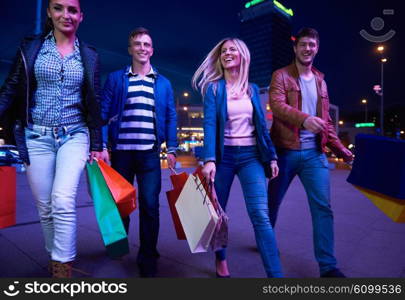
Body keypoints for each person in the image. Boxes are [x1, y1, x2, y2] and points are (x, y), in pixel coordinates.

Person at [0, 0, 104, 278]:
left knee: (62, 199)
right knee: (45, 206)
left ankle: (62, 266)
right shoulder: (32, 47)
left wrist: (98, 144)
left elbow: (95, 102)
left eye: (72, 10)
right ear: (49, 12)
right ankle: (55, 256)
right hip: (36, 136)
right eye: (59, 8)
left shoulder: (90, 55)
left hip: (75, 134)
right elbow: (10, 88)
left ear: (81, 16)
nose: (65, 15)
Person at [192, 38, 283, 278]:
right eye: (223, 51)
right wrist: (209, 158)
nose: (227, 53)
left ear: (242, 55)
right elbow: (209, 124)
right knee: (217, 216)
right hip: (224, 158)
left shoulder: (252, 89)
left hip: (251, 156)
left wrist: (271, 157)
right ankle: (221, 260)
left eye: (232, 49)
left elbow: (262, 126)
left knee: (261, 215)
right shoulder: (214, 88)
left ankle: (276, 276)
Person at [267, 28, 353, 277]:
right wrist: (305, 119)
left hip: (315, 154)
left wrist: (342, 151)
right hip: (285, 152)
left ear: (317, 48)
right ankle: (266, 243)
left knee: (323, 208)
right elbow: (277, 106)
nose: (307, 49)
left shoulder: (321, 82)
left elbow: (325, 122)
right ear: (295, 48)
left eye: (312, 45)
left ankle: (328, 266)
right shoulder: (281, 76)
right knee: (272, 204)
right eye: (303, 44)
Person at [100, 27, 177, 277]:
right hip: (121, 153)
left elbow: (171, 116)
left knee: (150, 206)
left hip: (149, 154)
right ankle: (118, 245)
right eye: (137, 44)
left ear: (152, 50)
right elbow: (103, 114)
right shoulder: (115, 79)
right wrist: (101, 145)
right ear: (130, 49)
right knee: (120, 205)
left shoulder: (163, 83)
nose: (142, 48)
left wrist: (172, 147)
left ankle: (148, 256)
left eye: (147, 44)